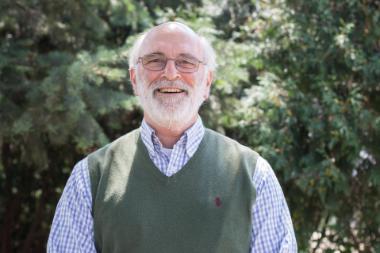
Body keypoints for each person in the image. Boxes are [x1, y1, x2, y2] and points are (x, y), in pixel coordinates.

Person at [47, 21, 297, 253]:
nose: (170, 73)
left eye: (186, 62)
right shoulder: (90, 177)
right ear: (134, 79)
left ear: (207, 82)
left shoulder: (253, 174)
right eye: (155, 60)